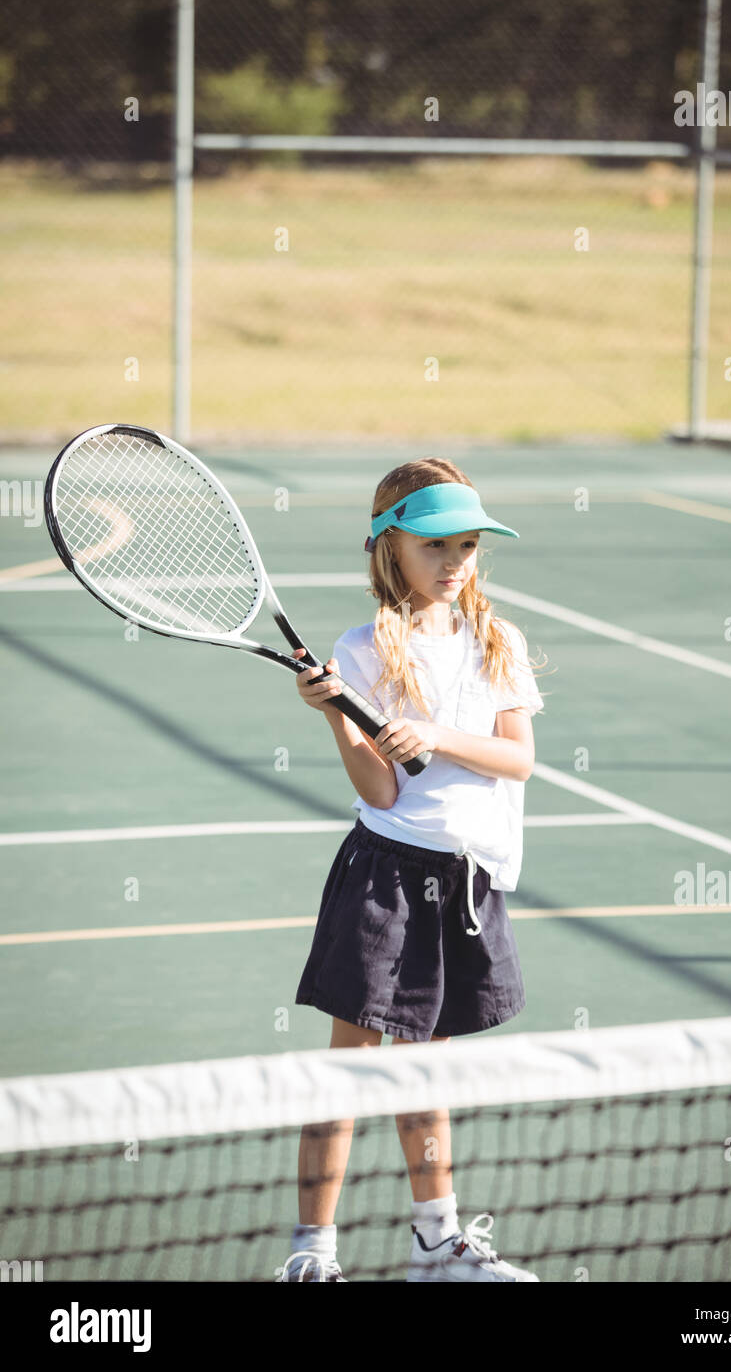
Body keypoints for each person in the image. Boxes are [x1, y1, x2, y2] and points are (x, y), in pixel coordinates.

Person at [279, 457, 545, 1283]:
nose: (454, 561)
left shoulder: (500, 641)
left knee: (424, 1068)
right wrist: (342, 722)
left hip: (465, 882)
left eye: (466, 545)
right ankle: (312, 1254)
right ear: (388, 546)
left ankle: (437, 1241)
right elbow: (381, 789)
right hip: (386, 877)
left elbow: (518, 759)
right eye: (434, 545)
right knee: (350, 1066)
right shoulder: (360, 650)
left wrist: (430, 733)